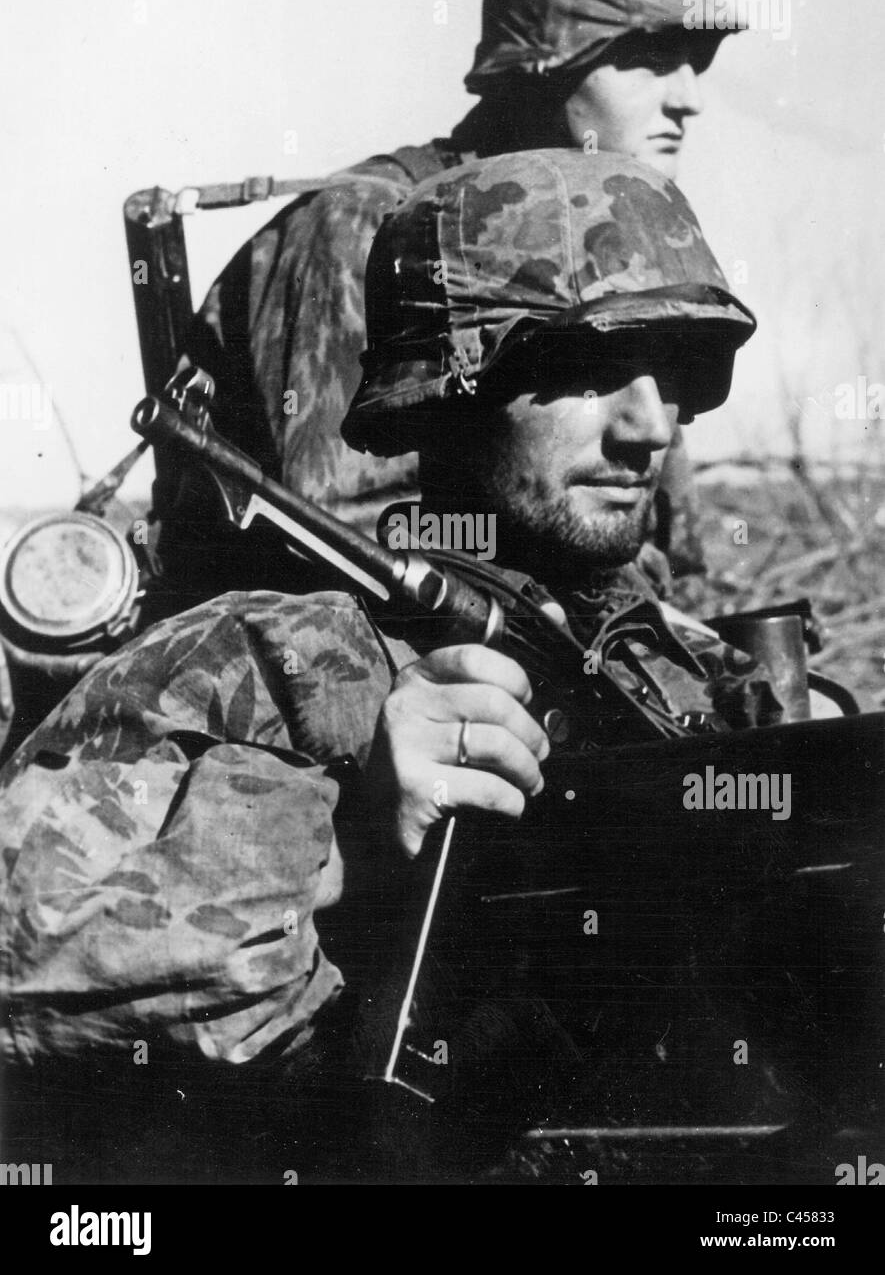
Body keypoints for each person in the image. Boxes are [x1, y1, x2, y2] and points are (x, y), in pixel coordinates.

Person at [0, 149, 775, 1090]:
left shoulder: (687, 664)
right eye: (589, 365)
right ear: (449, 386)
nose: (650, 425)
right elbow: (26, 936)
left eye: (677, 367)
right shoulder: (263, 659)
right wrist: (354, 843)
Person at [153, 0, 743, 616]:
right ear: (542, 67)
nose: (688, 98)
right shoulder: (370, 230)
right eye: (648, 59)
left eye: (696, 60)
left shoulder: (620, 252)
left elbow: (664, 544)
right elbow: (359, 533)